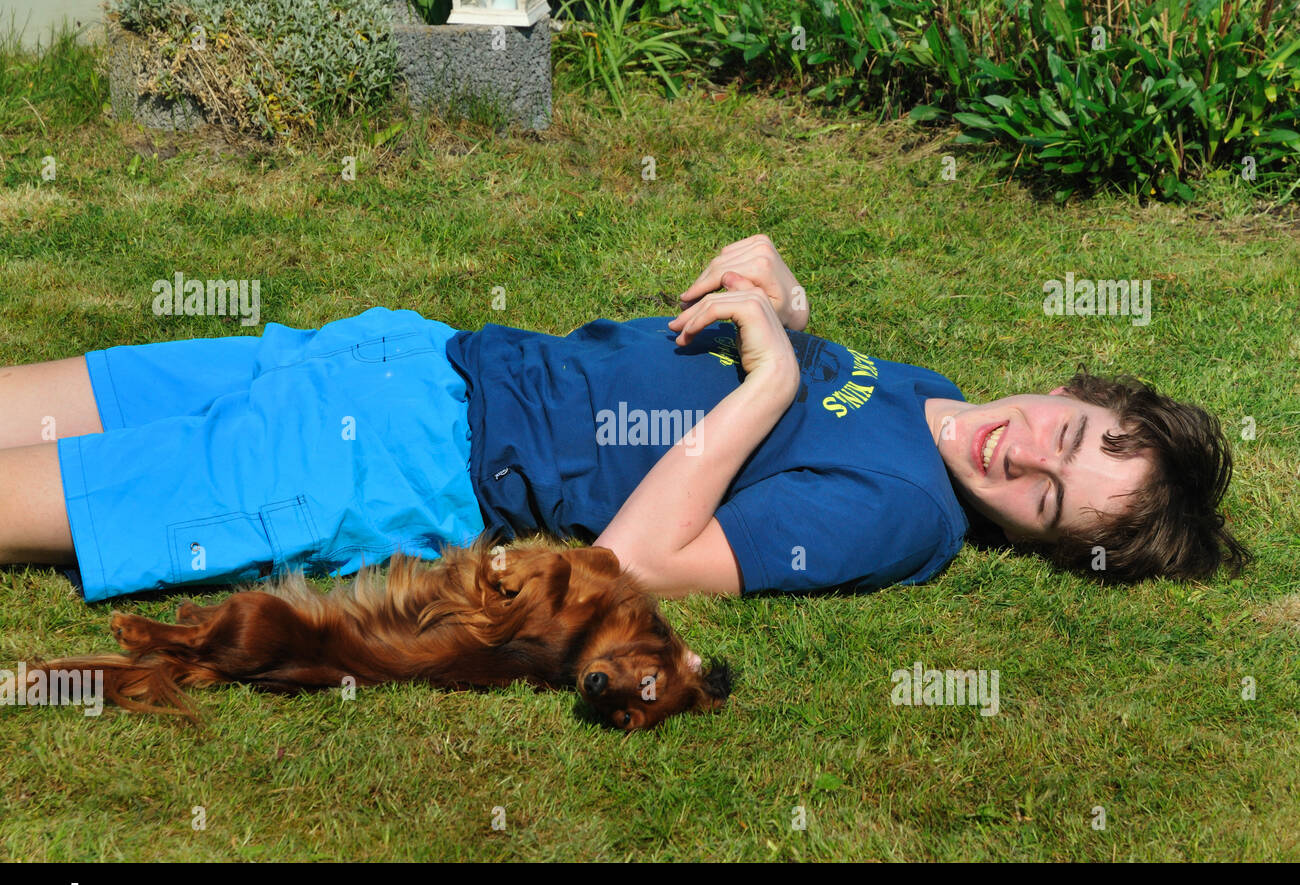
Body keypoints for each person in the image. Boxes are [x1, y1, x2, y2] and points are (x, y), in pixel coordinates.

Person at [0, 235, 1247, 602]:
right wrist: (782, 293)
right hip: (407, 355)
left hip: (409, 461)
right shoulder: (928, 399)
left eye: (1041, 498)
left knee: (33, 498)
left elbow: (640, 558)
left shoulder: (903, 518)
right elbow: (818, 363)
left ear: (1029, 536)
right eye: (1066, 436)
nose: (1019, 451)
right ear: (1085, 394)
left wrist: (764, 378)